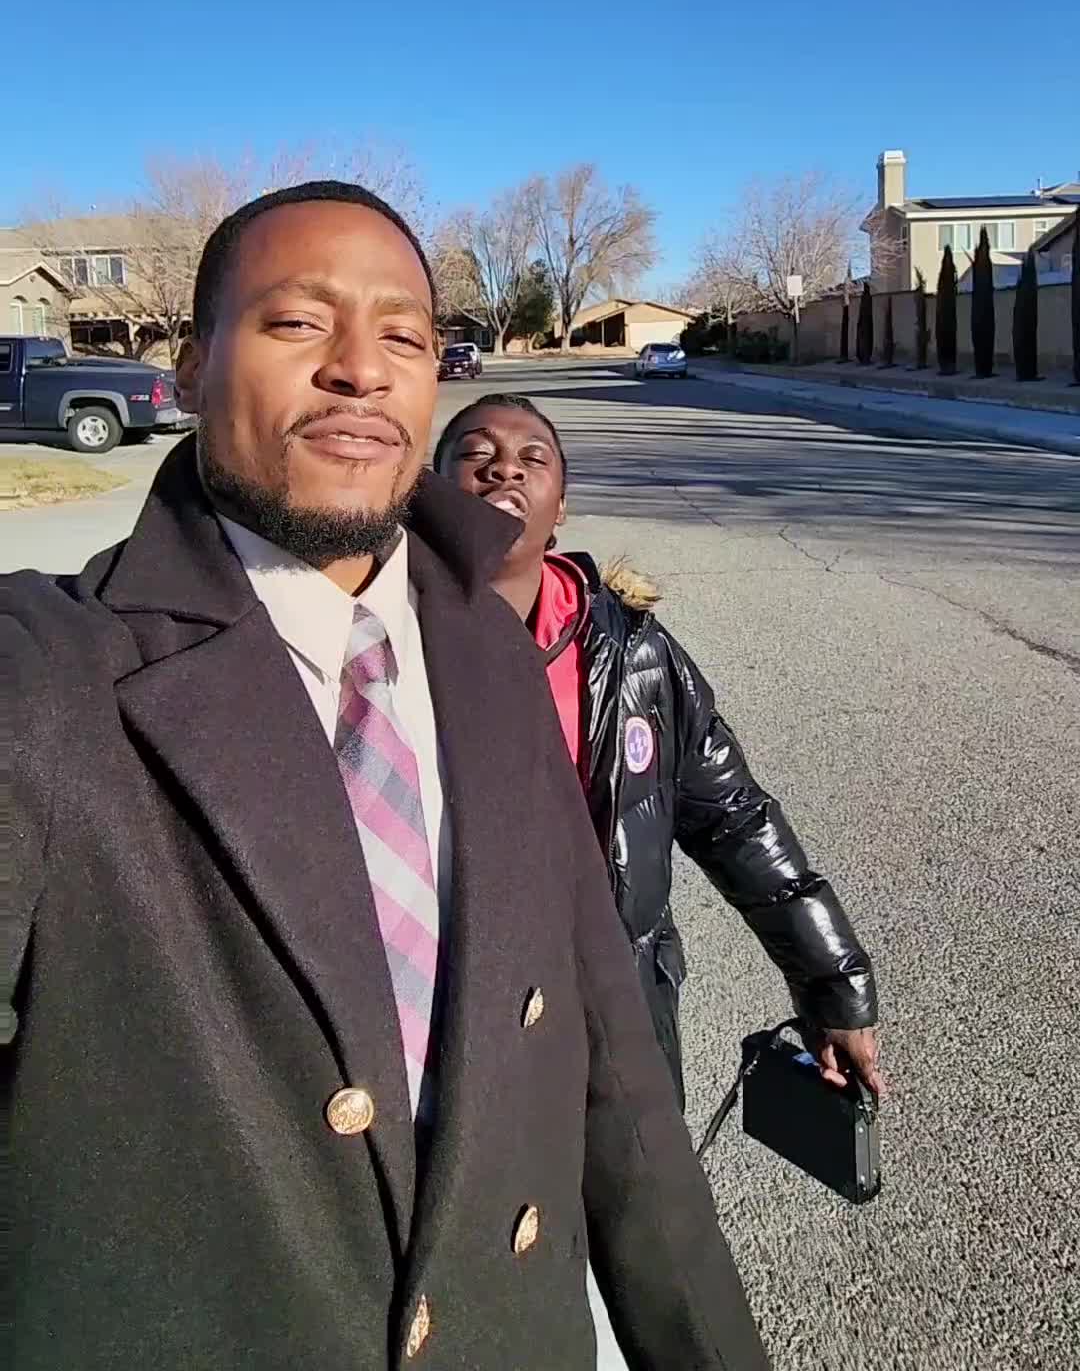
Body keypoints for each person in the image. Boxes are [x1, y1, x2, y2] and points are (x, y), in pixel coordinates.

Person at [2, 183, 770, 1371]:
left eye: (404, 336)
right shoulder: (52, 678)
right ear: (191, 369)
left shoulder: (490, 654)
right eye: (298, 323)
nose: (361, 369)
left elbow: (613, 1064)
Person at [434, 393, 882, 1109]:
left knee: (640, 1179)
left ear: (561, 507)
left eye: (532, 459)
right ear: (428, 496)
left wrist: (832, 985)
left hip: (615, 1006)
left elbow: (734, 818)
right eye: (475, 455)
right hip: (446, 1025)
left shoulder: (635, 653)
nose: (504, 470)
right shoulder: (379, 645)